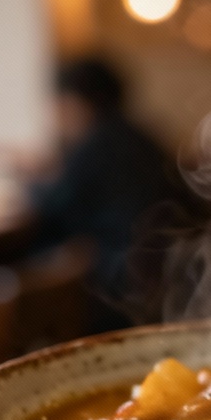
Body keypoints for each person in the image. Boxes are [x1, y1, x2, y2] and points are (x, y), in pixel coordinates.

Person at [27, 55, 182, 330]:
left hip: (115, 284)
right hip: (163, 275)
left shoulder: (96, 143)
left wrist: (28, 183)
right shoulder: (142, 136)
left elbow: (53, 205)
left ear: (76, 102)